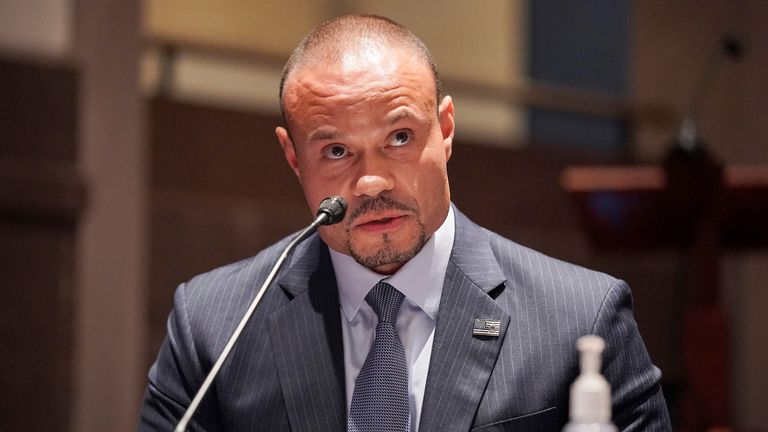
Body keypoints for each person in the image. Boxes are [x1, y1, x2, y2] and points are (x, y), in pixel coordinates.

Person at [139, 14, 671, 431]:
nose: (372, 182)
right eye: (336, 150)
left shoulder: (580, 319)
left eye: (399, 138)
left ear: (446, 129)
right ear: (294, 158)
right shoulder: (214, 328)